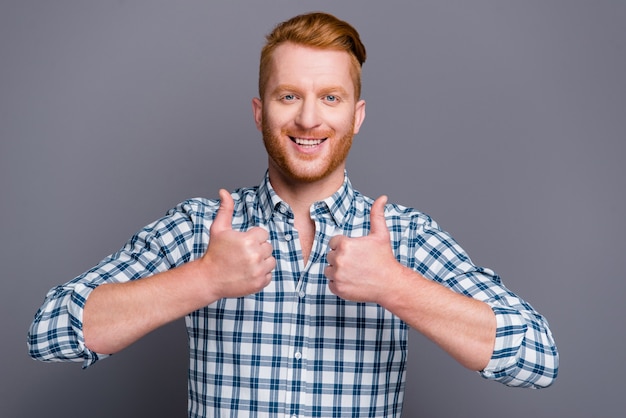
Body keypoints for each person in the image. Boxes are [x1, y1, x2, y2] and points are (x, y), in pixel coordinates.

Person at [28, 12, 558, 418]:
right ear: (260, 112)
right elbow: (51, 333)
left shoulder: (404, 238)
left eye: (331, 97)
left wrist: (394, 285)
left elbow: (536, 359)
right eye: (289, 95)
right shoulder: (201, 229)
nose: (309, 117)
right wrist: (203, 279)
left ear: (357, 114)